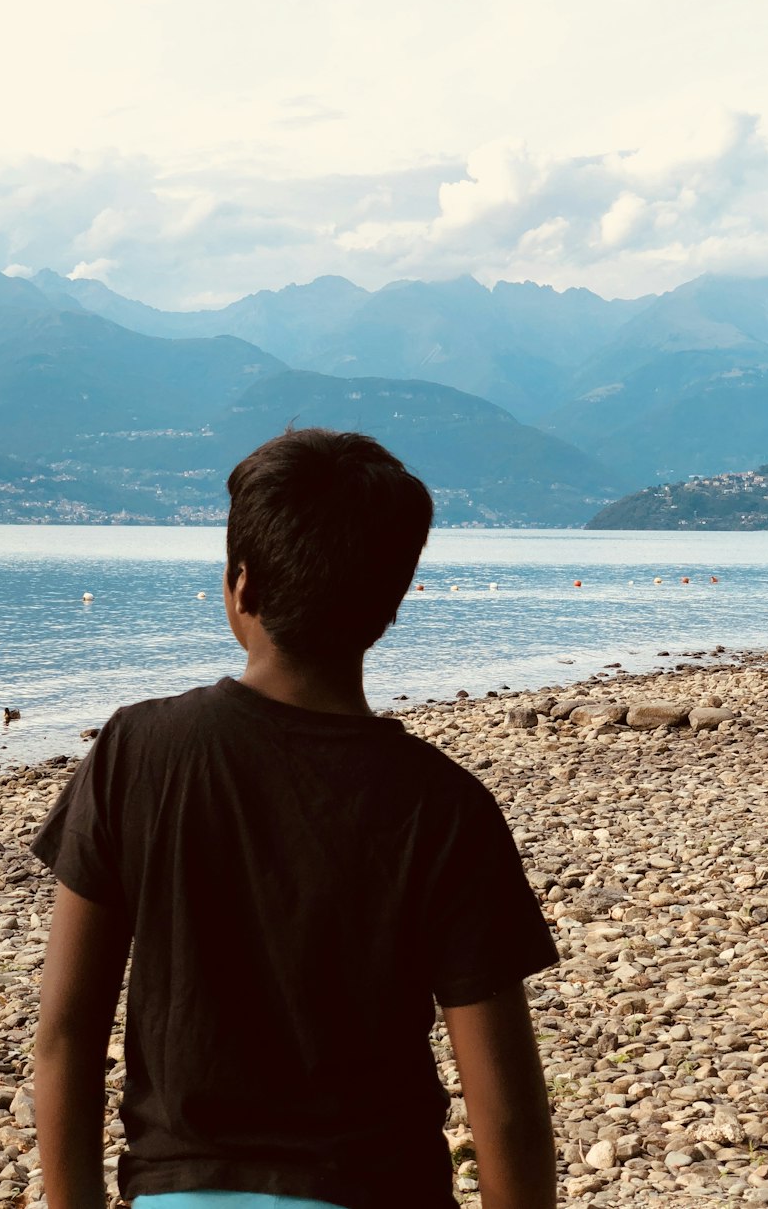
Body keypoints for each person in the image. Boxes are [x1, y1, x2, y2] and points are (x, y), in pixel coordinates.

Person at [31, 428, 558, 1209]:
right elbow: (506, 1112)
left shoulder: (136, 751)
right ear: (392, 602)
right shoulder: (444, 807)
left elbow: (67, 1035)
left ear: (241, 586)